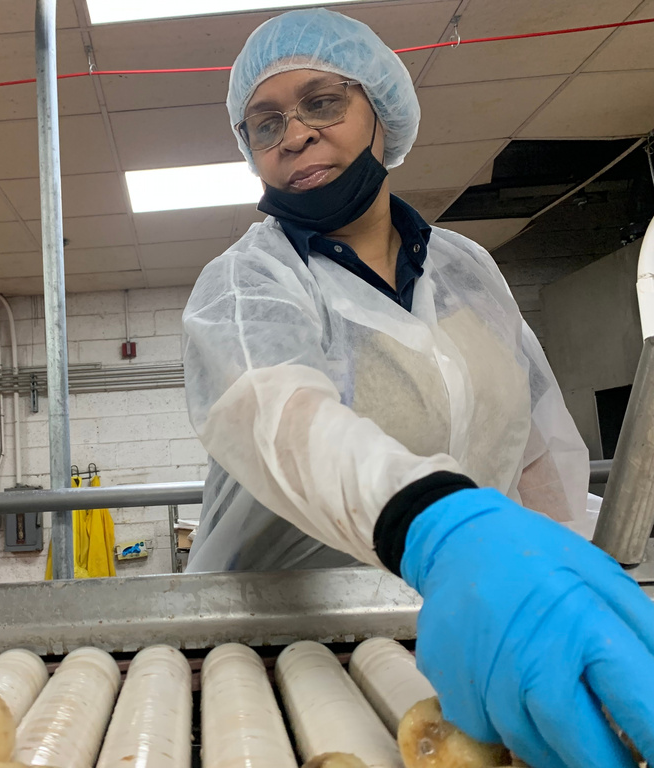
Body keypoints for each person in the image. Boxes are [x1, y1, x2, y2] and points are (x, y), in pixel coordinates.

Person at [181, 8, 654, 768]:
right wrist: (439, 524)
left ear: (383, 110)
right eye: (264, 124)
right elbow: (283, 421)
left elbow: (537, 449)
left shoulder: (468, 272)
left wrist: (567, 569)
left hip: (448, 635)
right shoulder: (249, 284)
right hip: (270, 656)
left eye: (322, 102)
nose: (294, 133)